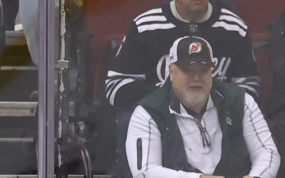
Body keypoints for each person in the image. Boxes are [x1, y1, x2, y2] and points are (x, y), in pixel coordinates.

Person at [124, 36, 279, 178]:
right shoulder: (147, 111)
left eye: (203, 70)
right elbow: (145, 174)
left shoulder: (240, 100)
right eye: (187, 70)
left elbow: (268, 152)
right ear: (171, 71)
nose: (196, 77)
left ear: (212, 71)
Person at [105, 0, 260, 109]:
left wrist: (211, 101)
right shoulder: (145, 26)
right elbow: (116, 88)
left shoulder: (234, 28)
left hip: (220, 117)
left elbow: (250, 88)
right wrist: (172, 94)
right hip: (159, 117)